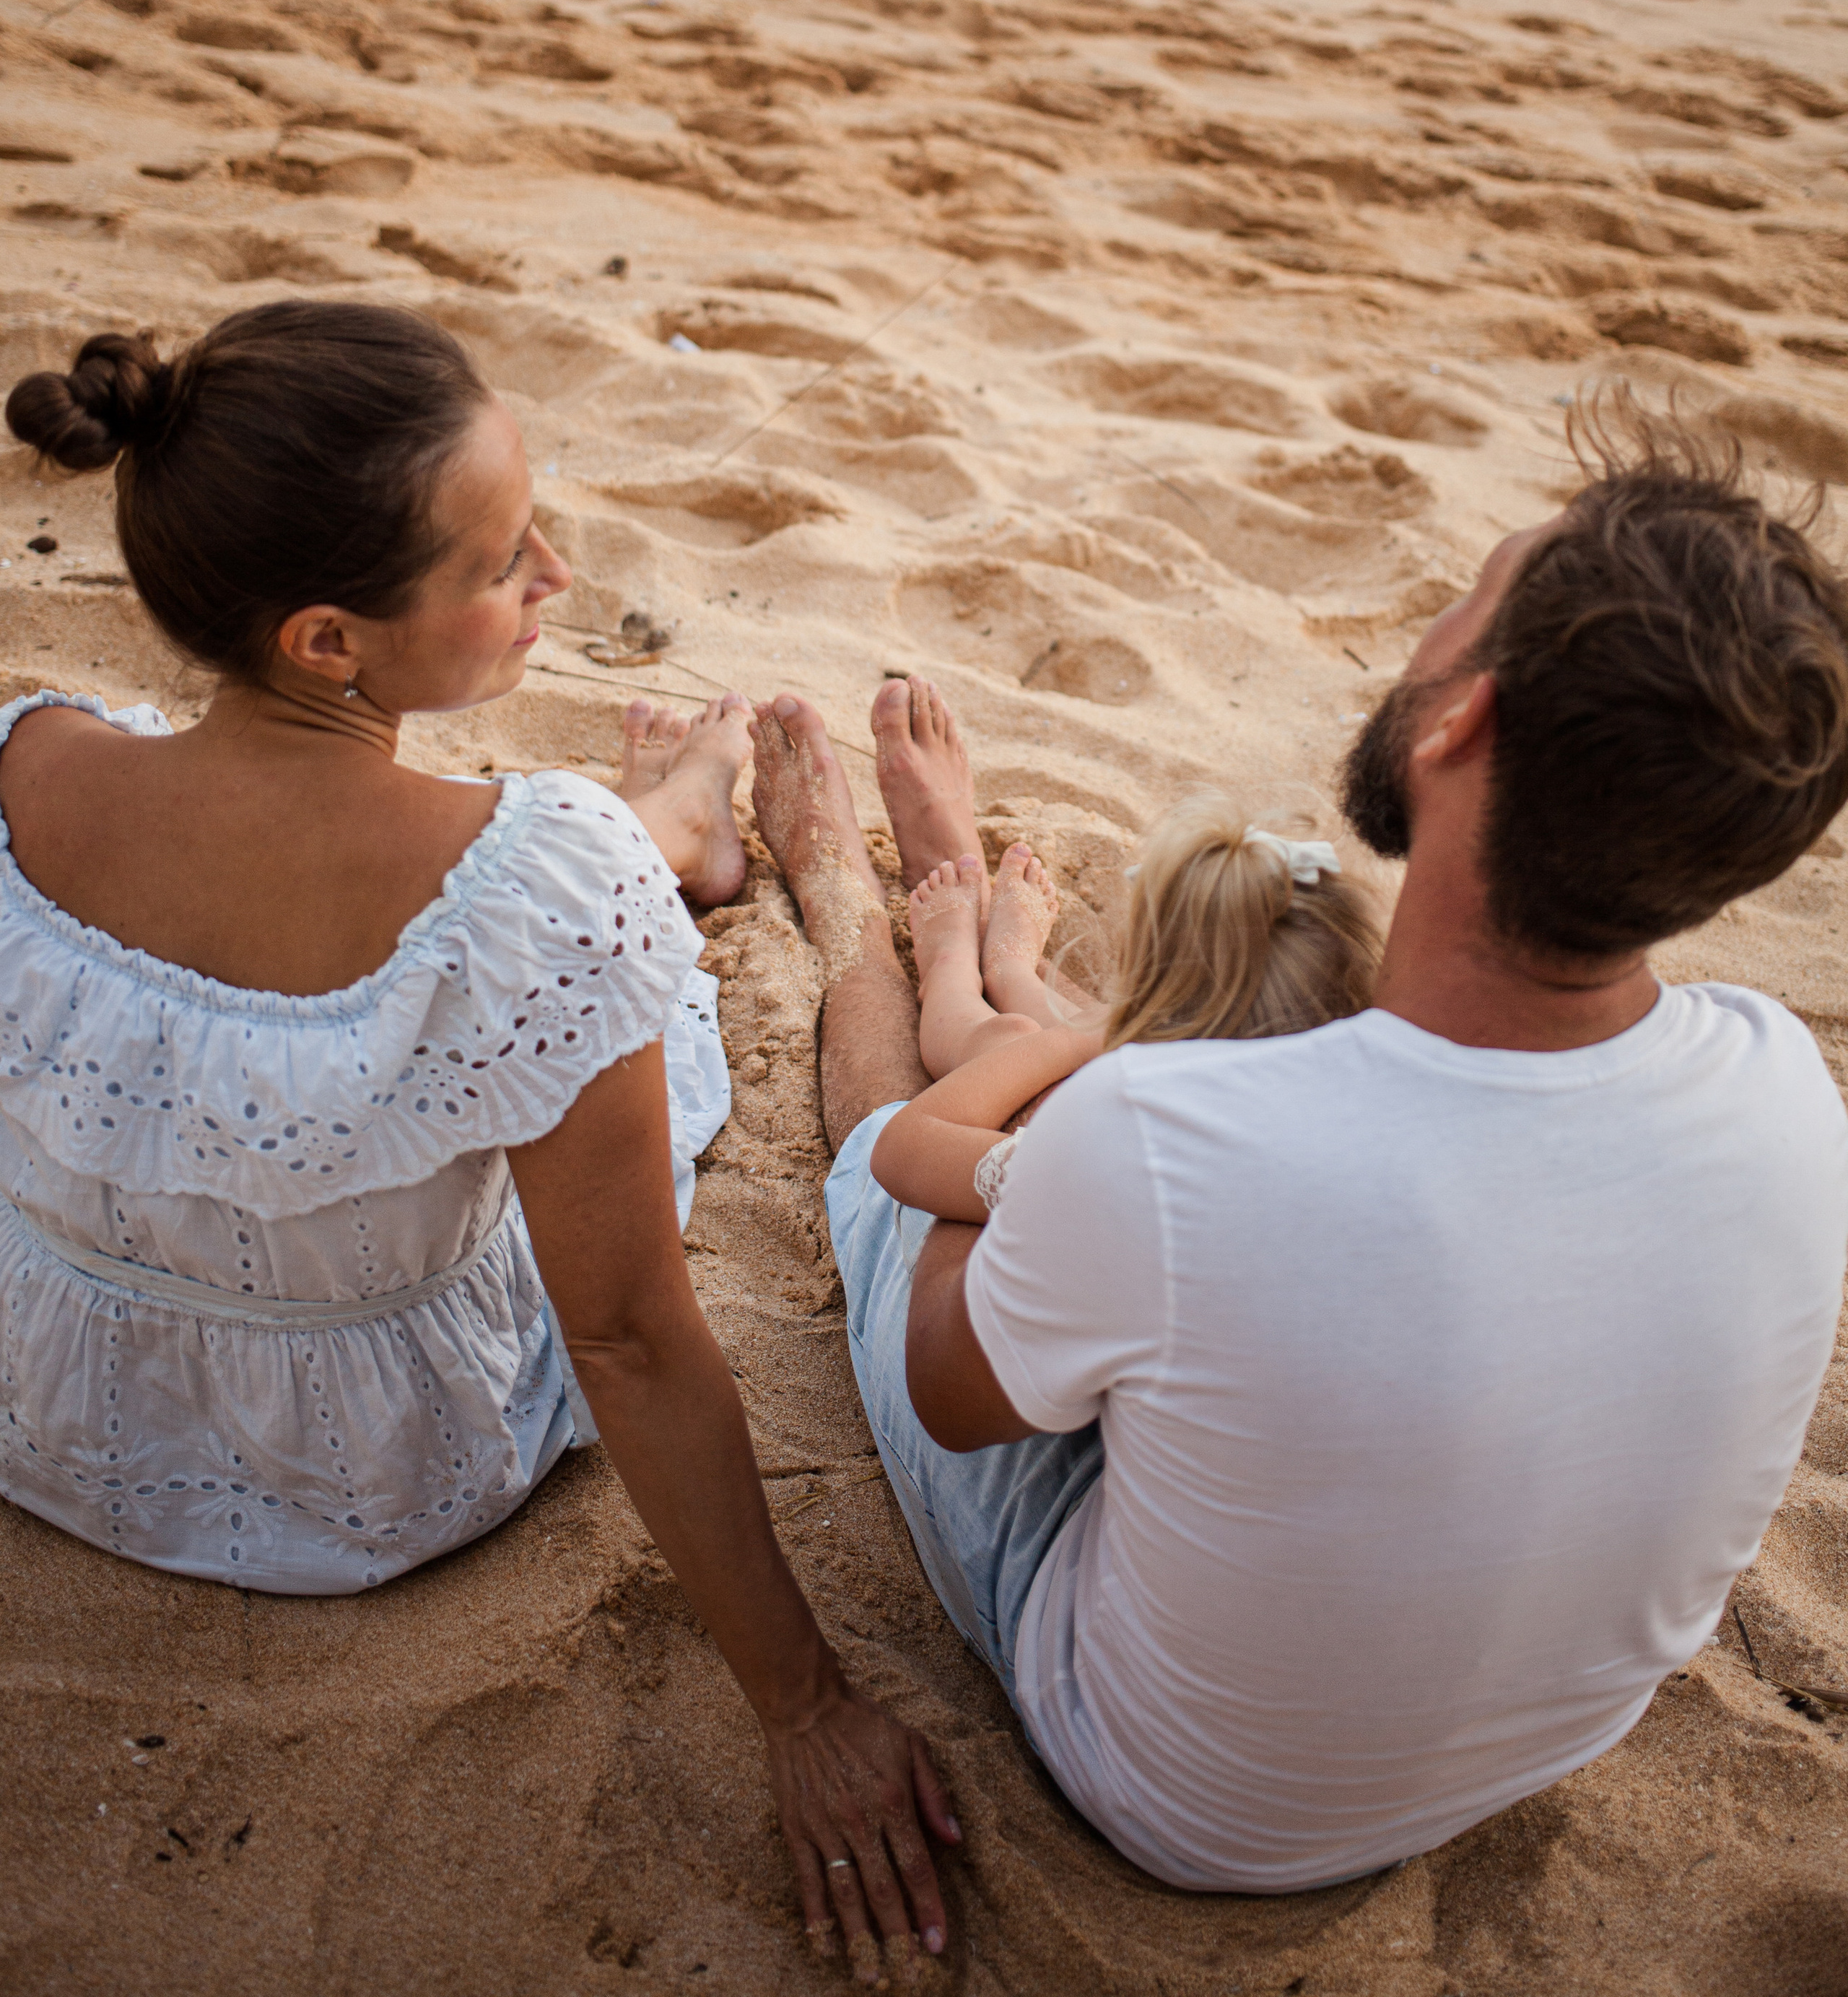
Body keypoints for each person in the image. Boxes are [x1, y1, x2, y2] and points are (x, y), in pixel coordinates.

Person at [750, 406, 1848, 1896]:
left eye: (1463, 599)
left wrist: (1048, 1106)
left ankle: (848, 905)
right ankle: (1001, 955)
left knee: (901, 1145)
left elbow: (951, 1393)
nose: (1431, 629)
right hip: (1522, 1744)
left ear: (1460, 722)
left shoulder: (1164, 1143)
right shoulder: (1781, 1076)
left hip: (1179, 1796)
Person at [0, 303, 954, 1973]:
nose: (560, 577)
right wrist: (802, 1704)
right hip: (357, 1475)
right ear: (324, 640)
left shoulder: (30, 758)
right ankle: (680, 830)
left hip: (40, 1395)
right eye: (505, 559)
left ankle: (675, 826)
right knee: (556, 922)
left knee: (537, 916)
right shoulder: (534, 882)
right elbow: (627, 1335)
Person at [872, 804, 1378, 1223]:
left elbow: (901, 1153)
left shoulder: (1120, 1164)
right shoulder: (1343, 1144)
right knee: (1065, 1039)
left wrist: (1076, 1041)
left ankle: (952, 972)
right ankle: (1012, 972)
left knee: (1011, 1041)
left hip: (956, 1301)